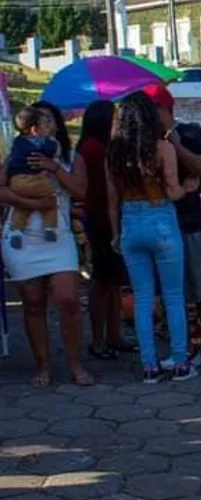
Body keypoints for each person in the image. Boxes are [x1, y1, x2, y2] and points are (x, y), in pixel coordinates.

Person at [143, 84, 201, 375]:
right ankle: (185, 350)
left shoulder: (190, 133)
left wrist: (176, 147)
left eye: (152, 110)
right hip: (159, 224)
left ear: (164, 109)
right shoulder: (142, 141)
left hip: (189, 224)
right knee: (172, 295)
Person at [0, 101, 93, 387]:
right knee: (32, 302)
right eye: (41, 121)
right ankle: (43, 365)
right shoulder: (17, 154)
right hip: (22, 236)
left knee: (68, 299)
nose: (47, 125)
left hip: (58, 235)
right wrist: (30, 202)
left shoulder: (70, 155)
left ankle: (76, 365)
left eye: (50, 120)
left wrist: (54, 168)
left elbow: (81, 191)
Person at [105, 92, 194, 384]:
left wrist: (116, 233)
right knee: (173, 296)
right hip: (161, 219)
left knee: (142, 297)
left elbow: (112, 200)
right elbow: (173, 191)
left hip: (130, 222)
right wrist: (188, 187)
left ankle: (149, 366)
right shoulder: (162, 148)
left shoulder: (114, 154)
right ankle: (180, 362)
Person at [77, 100, 135, 360]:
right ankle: (98, 339)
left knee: (114, 281)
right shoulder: (92, 148)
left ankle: (114, 334)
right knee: (102, 281)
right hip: (100, 219)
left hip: (111, 217)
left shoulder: (104, 147)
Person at [5, 107, 60, 249]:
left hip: (16, 181)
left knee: (22, 207)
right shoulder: (40, 144)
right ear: (35, 130)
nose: (49, 128)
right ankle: (49, 227)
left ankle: (16, 231)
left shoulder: (18, 142)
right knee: (51, 199)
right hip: (33, 179)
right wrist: (52, 142)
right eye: (45, 125)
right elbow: (52, 149)